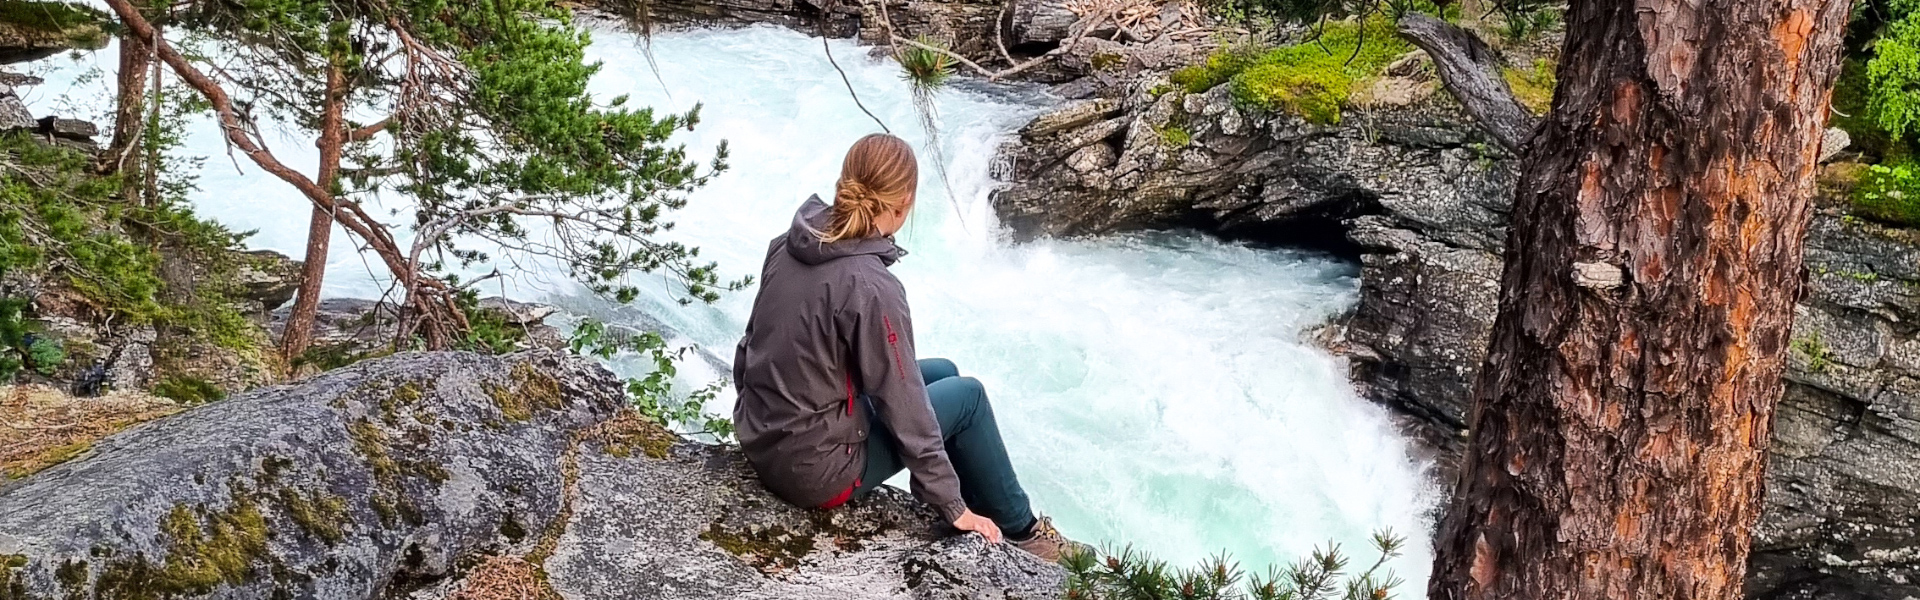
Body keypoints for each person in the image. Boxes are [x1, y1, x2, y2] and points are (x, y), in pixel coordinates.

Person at [731, 133, 1081, 562]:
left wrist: (764, 422)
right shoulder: (872, 286)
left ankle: (985, 506)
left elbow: (750, 345)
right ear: (905, 202)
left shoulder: (786, 244)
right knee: (967, 397)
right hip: (813, 473)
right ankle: (1023, 533)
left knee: (942, 371)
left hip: (763, 436)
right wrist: (948, 504)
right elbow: (902, 401)